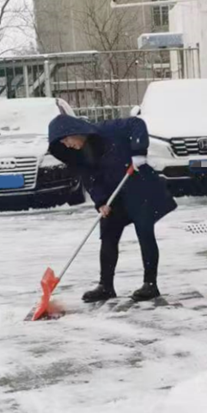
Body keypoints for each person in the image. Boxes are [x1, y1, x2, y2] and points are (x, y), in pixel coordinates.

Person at [48, 115, 177, 303]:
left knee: (144, 232)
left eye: (67, 140)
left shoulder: (110, 129)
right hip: (113, 196)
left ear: (74, 131)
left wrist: (138, 151)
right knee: (108, 235)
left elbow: (137, 123)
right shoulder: (79, 155)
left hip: (138, 188)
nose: (67, 145)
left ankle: (150, 284)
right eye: (63, 143)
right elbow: (90, 180)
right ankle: (105, 286)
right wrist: (100, 202)